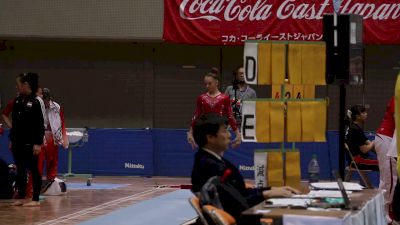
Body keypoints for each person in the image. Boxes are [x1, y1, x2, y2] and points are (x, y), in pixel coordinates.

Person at [191, 113, 300, 225]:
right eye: (225, 131)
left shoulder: (213, 161)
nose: (229, 135)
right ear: (210, 138)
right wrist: (266, 194)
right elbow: (237, 204)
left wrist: (272, 189)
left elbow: (240, 192)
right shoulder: (210, 168)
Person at [9, 72, 44, 207]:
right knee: (21, 169)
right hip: (18, 142)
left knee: (34, 169)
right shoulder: (17, 101)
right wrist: (12, 138)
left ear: (26, 85)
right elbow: (15, 122)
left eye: (18, 84)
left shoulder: (35, 101)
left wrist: (38, 143)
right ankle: (22, 196)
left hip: (31, 143)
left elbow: (40, 124)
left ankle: (35, 199)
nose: (16, 87)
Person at [187, 68, 241, 149]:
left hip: (219, 132)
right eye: (205, 84)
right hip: (205, 131)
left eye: (209, 83)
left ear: (216, 83)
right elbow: (196, 115)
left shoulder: (224, 98)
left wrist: (237, 133)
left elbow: (230, 115)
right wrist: (191, 132)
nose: (207, 86)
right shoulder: (202, 98)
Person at [39, 88, 68, 183]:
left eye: (46, 100)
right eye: (43, 101)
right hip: (41, 136)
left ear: (49, 98)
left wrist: (64, 138)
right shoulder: (37, 107)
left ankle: (51, 180)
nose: (45, 103)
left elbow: (62, 122)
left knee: (52, 160)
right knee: (39, 160)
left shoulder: (57, 107)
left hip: (53, 137)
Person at [374, 96, 397, 221]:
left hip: (387, 138)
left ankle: (386, 213)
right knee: (389, 180)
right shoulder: (398, 96)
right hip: (386, 138)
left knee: (390, 180)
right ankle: (384, 217)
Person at [346, 105, 379, 171]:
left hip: (358, 160)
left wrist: (380, 151)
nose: (366, 114)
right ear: (357, 116)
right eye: (363, 113)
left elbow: (367, 142)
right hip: (358, 162)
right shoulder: (355, 130)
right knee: (384, 164)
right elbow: (364, 150)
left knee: (386, 162)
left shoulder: (354, 127)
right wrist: (374, 142)